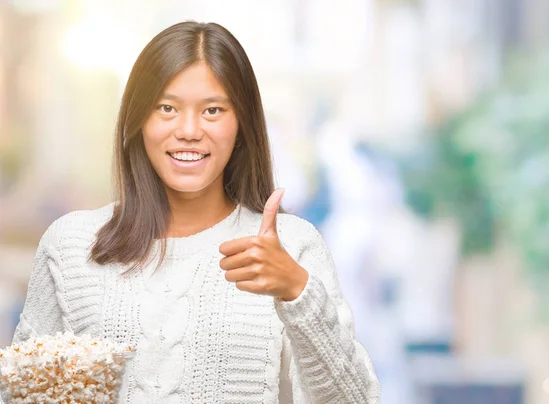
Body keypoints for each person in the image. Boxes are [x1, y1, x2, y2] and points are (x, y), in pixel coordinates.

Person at [10, 21, 380, 403]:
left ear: (242, 124)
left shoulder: (291, 247)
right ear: (138, 120)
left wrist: (297, 292)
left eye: (213, 110)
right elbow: (25, 396)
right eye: (167, 108)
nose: (189, 130)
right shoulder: (71, 245)